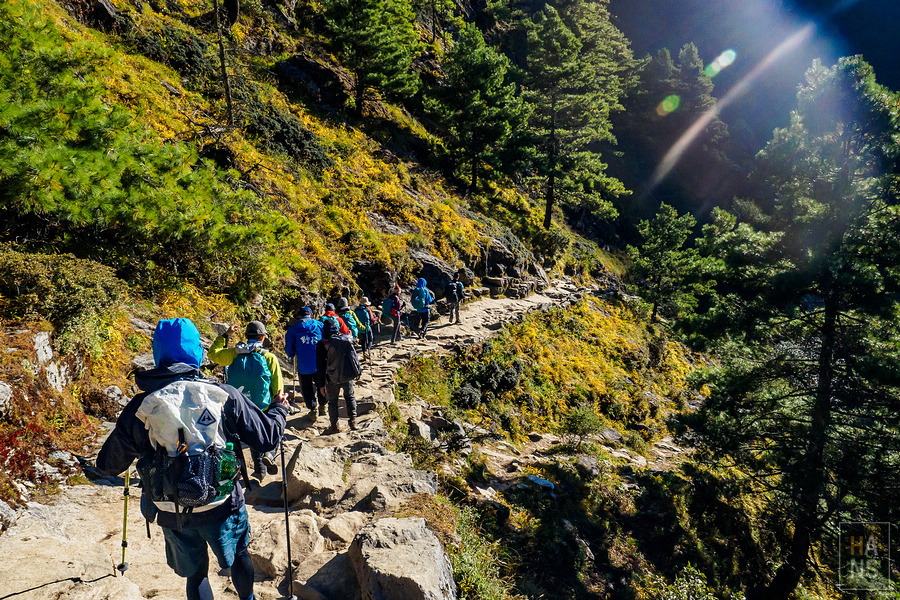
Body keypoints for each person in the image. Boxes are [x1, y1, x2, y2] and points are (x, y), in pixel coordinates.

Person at [96, 318, 289, 600]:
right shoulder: (223, 395)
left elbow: (108, 465)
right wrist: (279, 409)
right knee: (239, 554)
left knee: (196, 574)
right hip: (221, 504)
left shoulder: (141, 405)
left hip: (170, 507)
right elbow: (268, 437)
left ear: (158, 353)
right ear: (197, 351)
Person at [208, 320, 286, 481]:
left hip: (238, 406)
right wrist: (278, 404)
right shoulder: (269, 357)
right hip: (262, 406)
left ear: (245, 336)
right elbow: (277, 387)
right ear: (263, 337)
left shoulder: (234, 354)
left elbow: (213, 354)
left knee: (234, 439)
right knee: (259, 434)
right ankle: (265, 462)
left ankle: (236, 473)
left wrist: (225, 335)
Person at [315, 319, 361, 433]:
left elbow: (320, 366)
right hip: (347, 375)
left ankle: (334, 426)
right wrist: (357, 371)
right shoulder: (345, 339)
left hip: (331, 378)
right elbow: (353, 357)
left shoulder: (322, 344)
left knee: (332, 402)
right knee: (350, 397)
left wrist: (321, 385)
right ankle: (353, 421)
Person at [285, 307, 326, 421]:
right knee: (322, 384)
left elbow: (289, 349)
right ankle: (323, 405)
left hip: (303, 364)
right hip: (320, 363)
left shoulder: (293, 330)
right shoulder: (320, 325)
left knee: (307, 387)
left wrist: (291, 354)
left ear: (299, 316)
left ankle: (313, 409)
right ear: (311, 315)